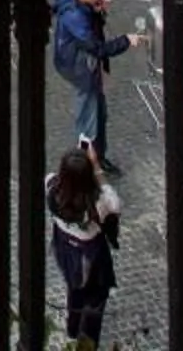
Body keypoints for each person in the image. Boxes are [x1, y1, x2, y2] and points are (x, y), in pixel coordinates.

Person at [49, 0, 141, 170]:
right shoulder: (76, 18)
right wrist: (126, 41)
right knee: (88, 119)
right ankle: (85, 164)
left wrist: (97, 10)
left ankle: (97, 156)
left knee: (99, 112)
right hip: (81, 69)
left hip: (80, 64)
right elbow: (98, 48)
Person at [46, 143, 121, 350]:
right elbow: (115, 204)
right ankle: (88, 341)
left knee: (74, 288)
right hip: (92, 255)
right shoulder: (99, 203)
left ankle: (72, 329)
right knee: (96, 297)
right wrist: (96, 168)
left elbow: (54, 178)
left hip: (65, 248)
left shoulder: (52, 190)